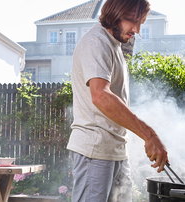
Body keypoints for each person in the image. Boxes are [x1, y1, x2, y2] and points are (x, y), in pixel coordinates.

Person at [66, 0, 168, 201]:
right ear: (114, 14)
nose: (137, 30)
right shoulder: (96, 43)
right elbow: (101, 96)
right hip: (95, 150)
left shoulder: (114, 46)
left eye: (141, 23)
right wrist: (149, 135)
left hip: (115, 150)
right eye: (132, 21)